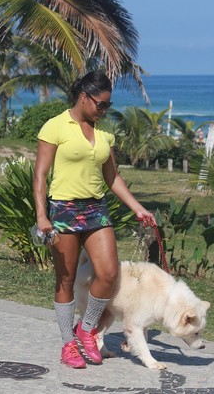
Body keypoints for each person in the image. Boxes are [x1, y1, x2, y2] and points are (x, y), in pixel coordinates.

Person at [33, 71, 156, 369]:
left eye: (108, 106)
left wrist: (138, 208)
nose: (104, 110)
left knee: (109, 273)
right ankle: (67, 344)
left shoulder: (103, 135)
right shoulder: (55, 127)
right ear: (84, 97)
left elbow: (112, 178)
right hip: (63, 210)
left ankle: (86, 330)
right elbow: (40, 175)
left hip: (96, 209)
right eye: (101, 104)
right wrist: (41, 215)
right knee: (65, 279)